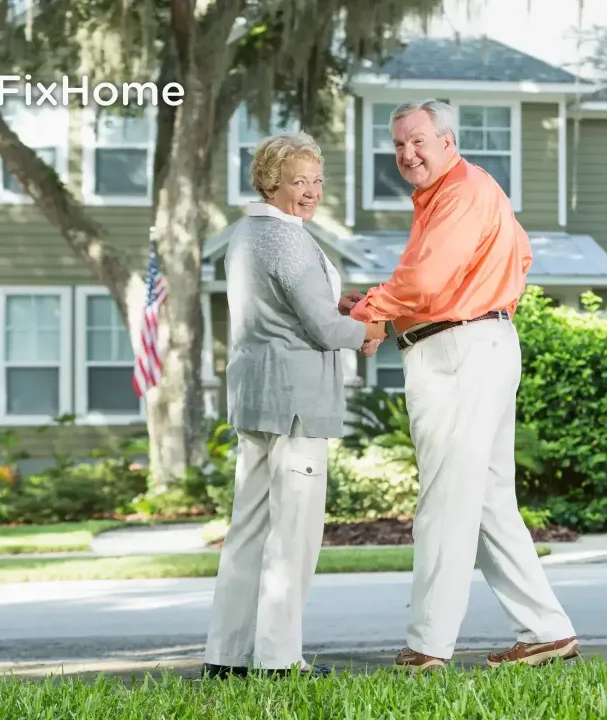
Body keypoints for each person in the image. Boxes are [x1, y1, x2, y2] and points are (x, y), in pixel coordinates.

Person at [340, 100, 579, 672]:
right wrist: (382, 307)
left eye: (418, 140)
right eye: (398, 145)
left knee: (444, 500)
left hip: (457, 353)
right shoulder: (465, 192)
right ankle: (546, 630)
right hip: (481, 344)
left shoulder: (460, 191)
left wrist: (371, 311)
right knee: (490, 502)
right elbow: (515, 255)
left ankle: (427, 647)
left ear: (447, 140)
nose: (407, 153)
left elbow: (425, 278)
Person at [203, 131, 386, 679]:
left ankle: (227, 656)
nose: (311, 192)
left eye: (317, 180)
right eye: (299, 181)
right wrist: (369, 328)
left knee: (249, 530)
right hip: (295, 406)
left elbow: (291, 307)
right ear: (270, 182)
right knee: (293, 534)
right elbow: (325, 328)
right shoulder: (284, 238)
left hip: (259, 400)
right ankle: (278, 662)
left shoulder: (247, 233)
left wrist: (341, 307)